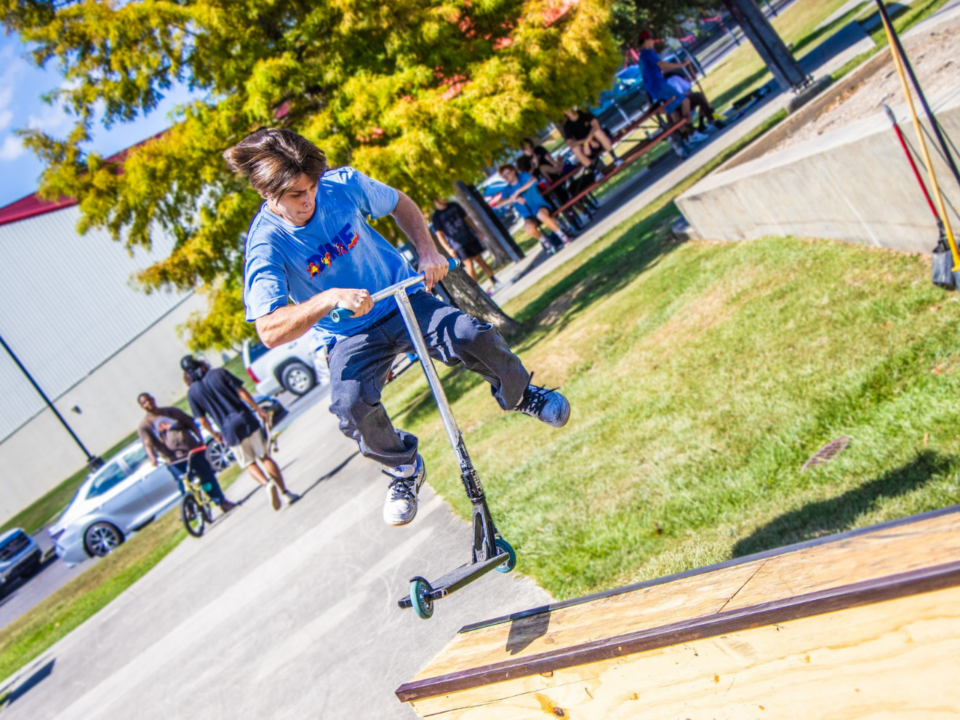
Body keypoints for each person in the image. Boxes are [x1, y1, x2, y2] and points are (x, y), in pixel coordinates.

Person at [228, 128, 570, 527]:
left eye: (312, 187)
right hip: (349, 334)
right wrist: (329, 298)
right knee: (350, 404)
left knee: (469, 334)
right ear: (267, 193)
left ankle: (521, 394)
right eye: (295, 195)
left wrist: (427, 250)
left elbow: (399, 204)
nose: (309, 199)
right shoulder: (266, 244)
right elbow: (269, 330)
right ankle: (403, 468)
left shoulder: (342, 184)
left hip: (403, 299)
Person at [181, 355, 298, 511]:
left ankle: (266, 484)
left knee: (249, 463)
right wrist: (259, 409)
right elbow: (242, 392)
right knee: (264, 457)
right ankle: (285, 493)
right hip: (245, 419)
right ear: (201, 363)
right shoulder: (219, 373)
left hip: (228, 430)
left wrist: (215, 434)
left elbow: (202, 420)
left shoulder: (192, 393)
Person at [136, 393, 235, 512]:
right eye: (144, 403)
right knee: (184, 484)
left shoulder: (172, 412)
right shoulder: (145, 425)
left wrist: (200, 439)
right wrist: (153, 458)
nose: (148, 403)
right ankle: (191, 509)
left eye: (149, 400)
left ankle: (220, 501)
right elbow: (147, 443)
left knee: (206, 478)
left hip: (193, 452)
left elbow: (192, 424)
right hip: (174, 460)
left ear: (153, 399)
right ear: (141, 407)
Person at [637, 30, 722, 142]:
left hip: (655, 89)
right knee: (685, 101)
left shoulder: (641, 58)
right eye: (651, 40)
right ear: (646, 40)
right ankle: (692, 134)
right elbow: (663, 65)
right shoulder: (648, 53)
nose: (653, 42)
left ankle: (687, 135)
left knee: (675, 109)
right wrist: (681, 65)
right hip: (660, 86)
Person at [498, 163, 573, 251]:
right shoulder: (506, 190)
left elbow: (534, 180)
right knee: (528, 228)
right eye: (504, 176)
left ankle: (562, 236)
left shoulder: (523, 176)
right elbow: (499, 204)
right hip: (528, 215)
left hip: (540, 206)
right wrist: (514, 199)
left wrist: (517, 192)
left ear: (513, 172)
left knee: (541, 215)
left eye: (507, 173)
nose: (506, 177)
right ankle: (546, 242)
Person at [430, 198, 499, 286]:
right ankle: (475, 288)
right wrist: (449, 249)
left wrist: (477, 231)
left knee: (480, 260)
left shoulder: (454, 205)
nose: (443, 198)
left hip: (469, 237)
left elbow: (467, 219)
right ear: (435, 200)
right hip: (457, 245)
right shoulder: (436, 217)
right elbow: (440, 235)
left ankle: (494, 281)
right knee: (469, 264)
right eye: (439, 197)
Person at [561, 107, 623, 173]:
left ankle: (615, 158)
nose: (567, 110)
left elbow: (596, 125)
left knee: (597, 132)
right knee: (575, 149)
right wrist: (586, 142)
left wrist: (588, 140)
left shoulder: (583, 112)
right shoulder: (567, 125)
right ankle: (595, 172)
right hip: (586, 148)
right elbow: (570, 143)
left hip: (598, 140)